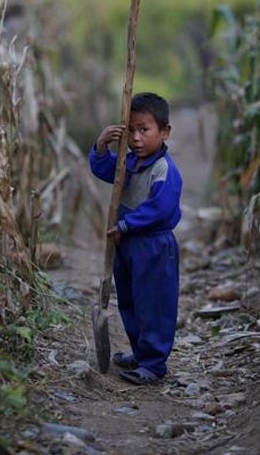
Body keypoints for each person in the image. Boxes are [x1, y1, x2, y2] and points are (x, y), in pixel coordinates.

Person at [88, 92, 183, 385]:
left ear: (164, 132)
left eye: (144, 129)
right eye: (130, 130)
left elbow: (160, 208)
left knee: (153, 303)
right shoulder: (128, 163)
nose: (136, 137)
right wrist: (102, 146)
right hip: (126, 245)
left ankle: (154, 364)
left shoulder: (164, 170)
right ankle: (140, 353)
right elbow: (106, 171)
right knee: (130, 300)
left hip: (153, 245)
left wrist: (128, 225)